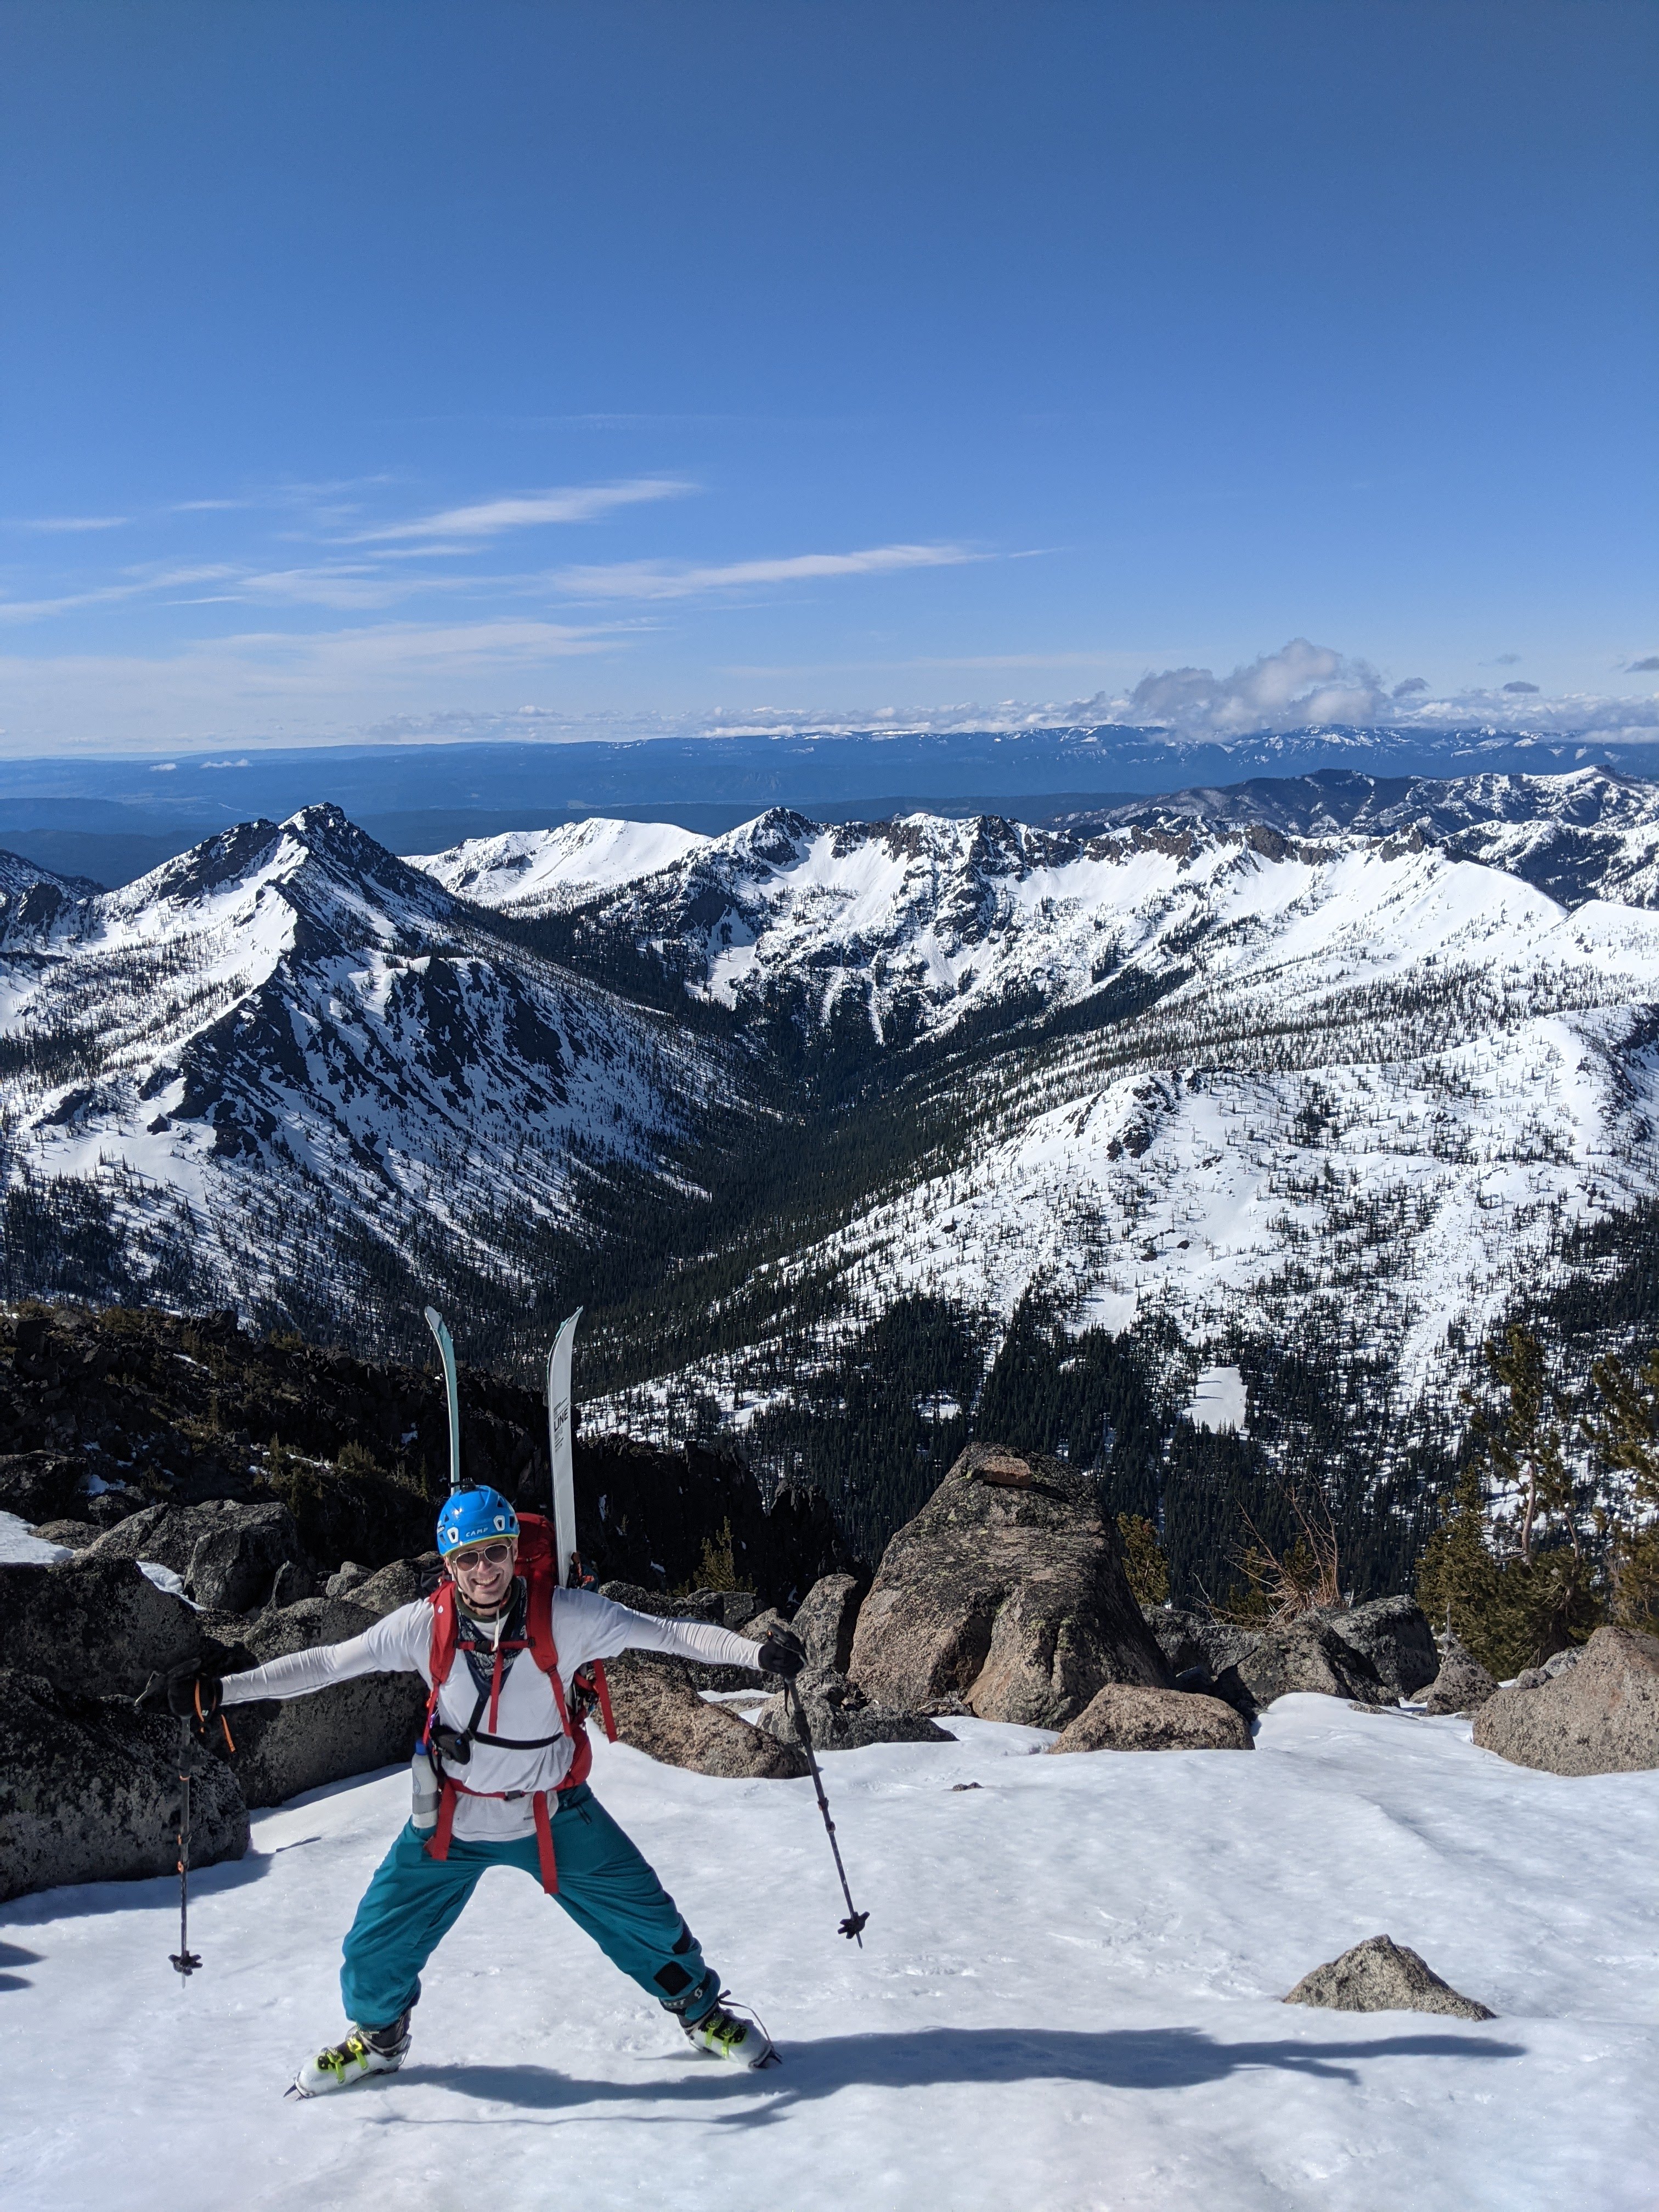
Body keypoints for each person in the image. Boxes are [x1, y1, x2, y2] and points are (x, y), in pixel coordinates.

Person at [160, 1485, 806, 2096]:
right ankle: (379, 2039)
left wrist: (755, 1655)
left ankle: (699, 2012)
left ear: (512, 1553)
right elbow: (329, 1664)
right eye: (467, 1559)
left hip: (553, 1813)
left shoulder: (568, 1616)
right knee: (373, 1945)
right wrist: (225, 1691)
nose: (484, 1570)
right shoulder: (423, 1626)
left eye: (496, 1552)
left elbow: (669, 1633)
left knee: (649, 1919)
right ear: (449, 1564)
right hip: (452, 1821)